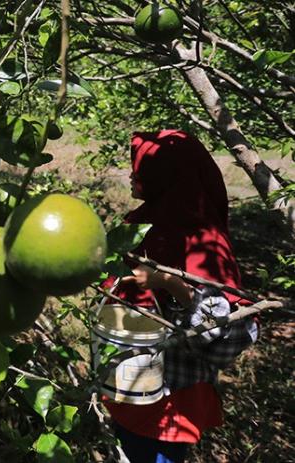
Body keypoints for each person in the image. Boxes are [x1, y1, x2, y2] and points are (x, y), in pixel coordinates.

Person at [104, 129, 259, 463]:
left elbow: (222, 330)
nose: (132, 175)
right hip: (131, 386)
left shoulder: (199, 236)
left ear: (166, 175)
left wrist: (170, 284)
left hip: (168, 398)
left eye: (141, 168)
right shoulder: (142, 222)